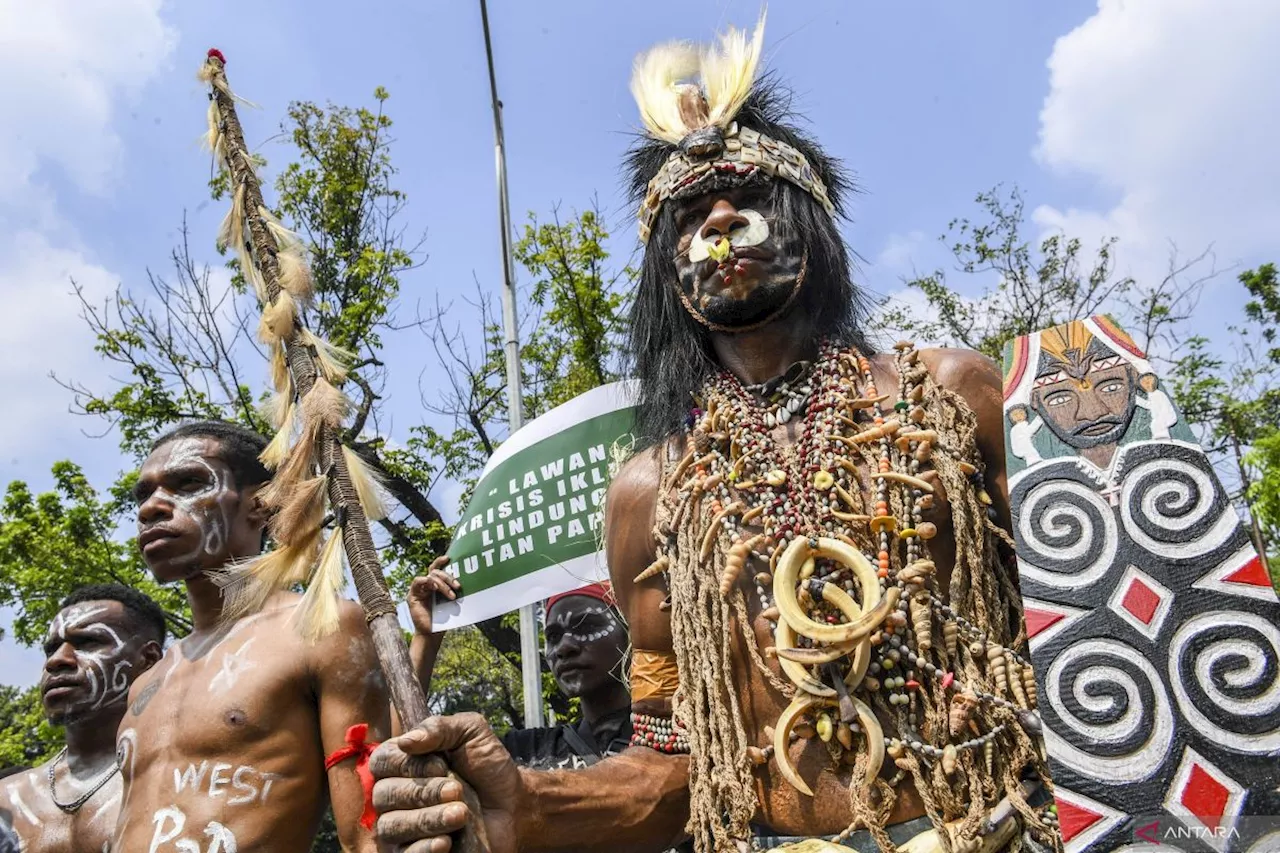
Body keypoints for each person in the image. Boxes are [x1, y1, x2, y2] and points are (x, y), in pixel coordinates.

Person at [370, 18, 1055, 853]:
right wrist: (528, 803)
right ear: (667, 269)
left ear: (816, 228)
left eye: (751, 198)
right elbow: (673, 768)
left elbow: (1099, 635)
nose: (722, 221)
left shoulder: (945, 397)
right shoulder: (652, 493)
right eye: (691, 212)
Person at [117, 420, 389, 852]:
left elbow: (368, 836)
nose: (150, 507)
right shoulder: (145, 685)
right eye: (143, 494)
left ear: (261, 505)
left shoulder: (320, 628)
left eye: (187, 483)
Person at [409, 567, 632, 770]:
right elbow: (404, 759)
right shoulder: (522, 752)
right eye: (553, 636)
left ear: (630, 636)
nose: (564, 647)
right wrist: (426, 638)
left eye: (586, 625)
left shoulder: (662, 737)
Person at [0, 584, 165, 853]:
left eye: (88, 642)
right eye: (51, 648)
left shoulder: (183, 779)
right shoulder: (7, 799)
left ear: (148, 659)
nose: (57, 660)